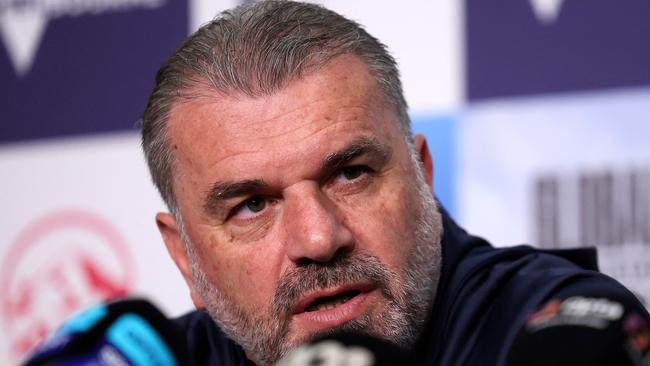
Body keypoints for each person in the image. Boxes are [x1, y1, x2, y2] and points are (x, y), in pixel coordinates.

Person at [140, 1, 650, 365]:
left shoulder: (553, 331)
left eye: (349, 174)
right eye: (253, 205)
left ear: (422, 175)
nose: (318, 240)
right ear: (185, 255)